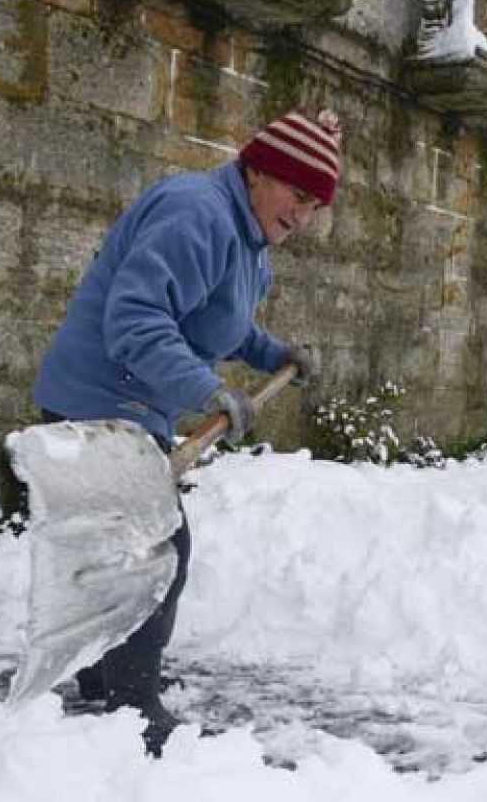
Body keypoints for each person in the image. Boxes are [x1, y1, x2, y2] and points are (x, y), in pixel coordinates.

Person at [32, 109, 339, 754]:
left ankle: (102, 676)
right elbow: (138, 322)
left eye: (315, 205)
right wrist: (206, 392)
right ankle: (133, 702)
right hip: (97, 406)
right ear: (259, 171)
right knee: (161, 552)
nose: (304, 216)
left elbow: (216, 323)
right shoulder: (196, 214)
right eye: (297, 194)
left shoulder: (244, 238)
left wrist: (272, 352)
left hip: (127, 408)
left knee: (117, 554)